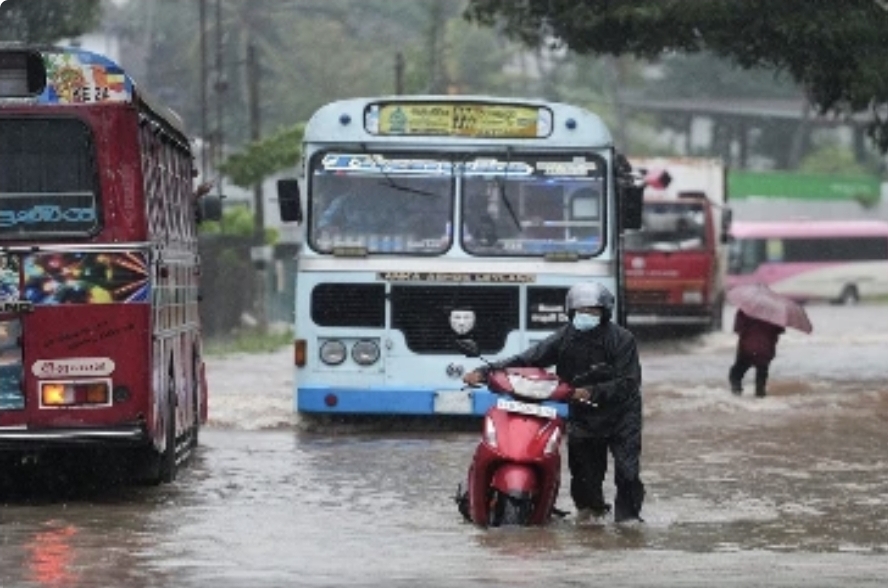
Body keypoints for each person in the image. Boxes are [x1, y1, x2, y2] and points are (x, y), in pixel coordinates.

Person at [462, 282, 645, 523]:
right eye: (581, 312)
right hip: (584, 416)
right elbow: (528, 359)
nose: (586, 317)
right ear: (571, 312)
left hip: (621, 415)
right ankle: (592, 519)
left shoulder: (622, 340)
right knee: (584, 479)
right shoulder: (565, 338)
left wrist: (590, 392)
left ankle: (629, 521)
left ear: (604, 314)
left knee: (627, 473)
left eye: (593, 312)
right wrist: (485, 372)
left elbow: (629, 382)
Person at [729, 309, 785, 397]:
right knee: (761, 380)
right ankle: (760, 398)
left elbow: (737, 329)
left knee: (735, 375)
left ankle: (737, 395)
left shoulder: (744, 310)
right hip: (765, 350)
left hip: (747, 349)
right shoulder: (775, 313)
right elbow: (780, 330)